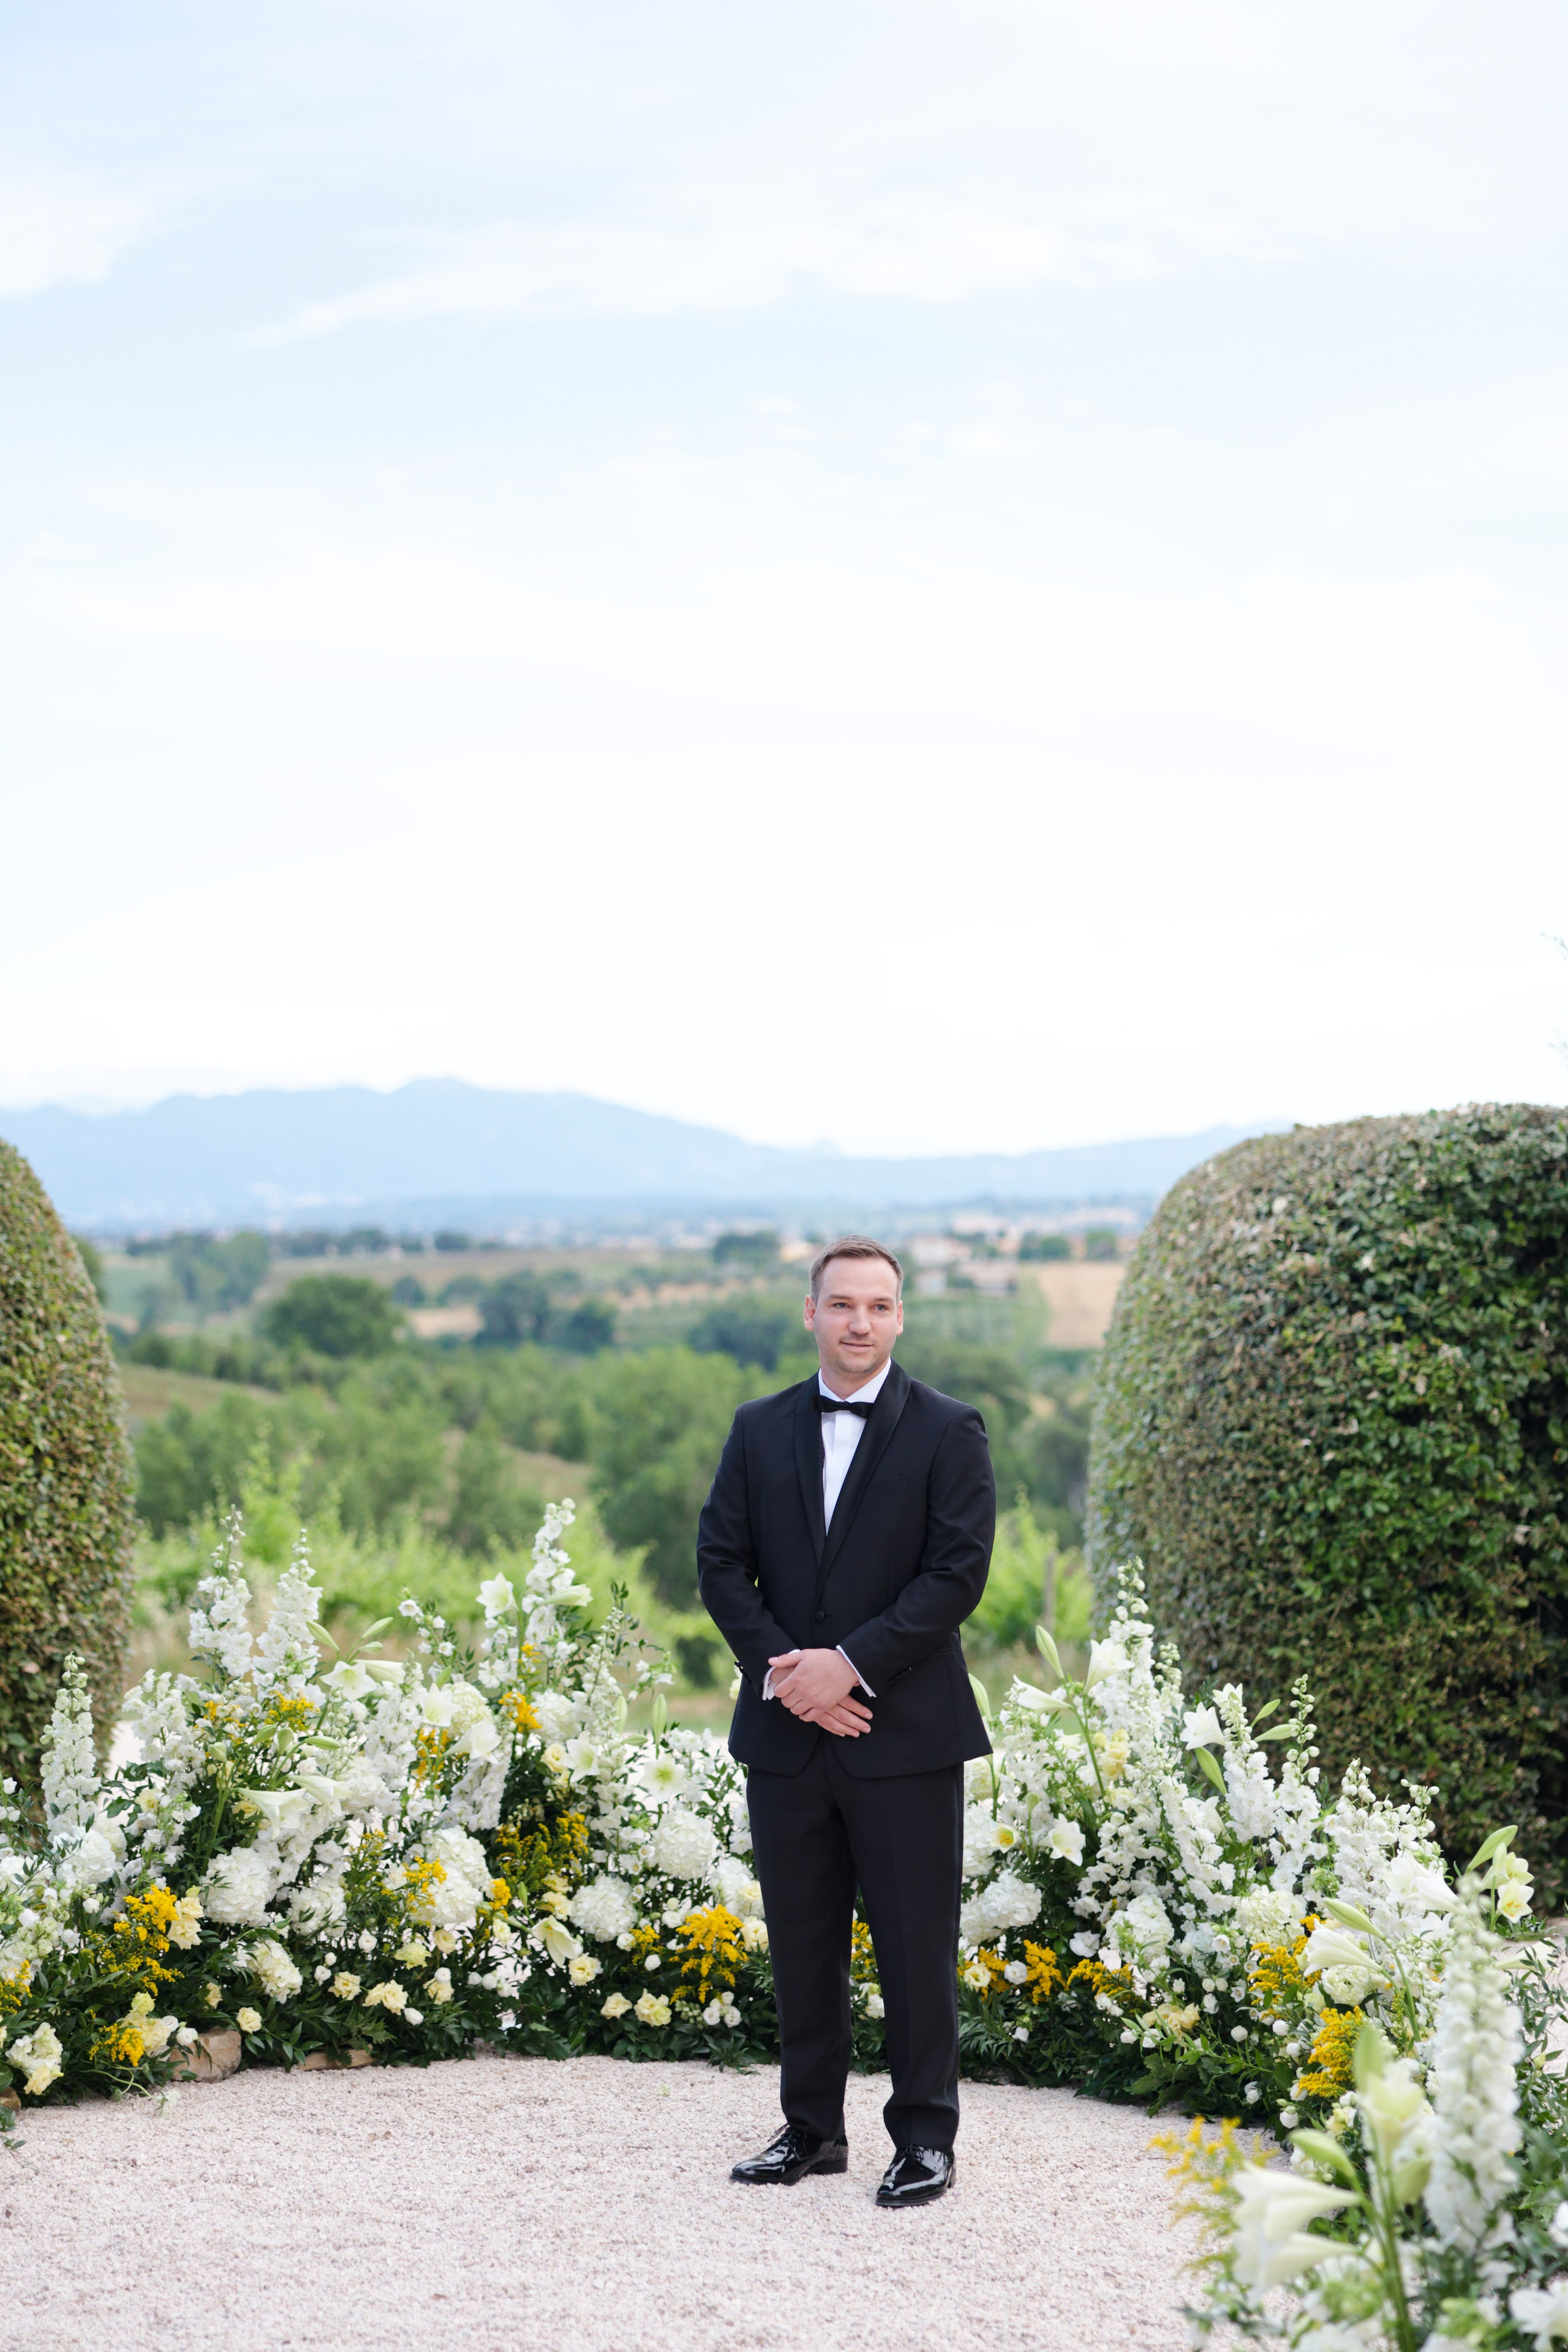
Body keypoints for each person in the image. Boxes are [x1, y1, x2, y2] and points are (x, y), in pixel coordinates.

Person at [696, 1234, 995, 2209]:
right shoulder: (756, 1428)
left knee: (915, 1945)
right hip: (787, 1733)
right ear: (811, 1314)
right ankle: (813, 2130)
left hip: (904, 1735)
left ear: (900, 1317)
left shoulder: (950, 1430)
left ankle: (926, 2139)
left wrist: (849, 1666)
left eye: (877, 1306)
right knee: (802, 1939)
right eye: (841, 1305)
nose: (859, 1322)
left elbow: (956, 1575)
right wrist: (793, 1677)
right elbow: (719, 1566)